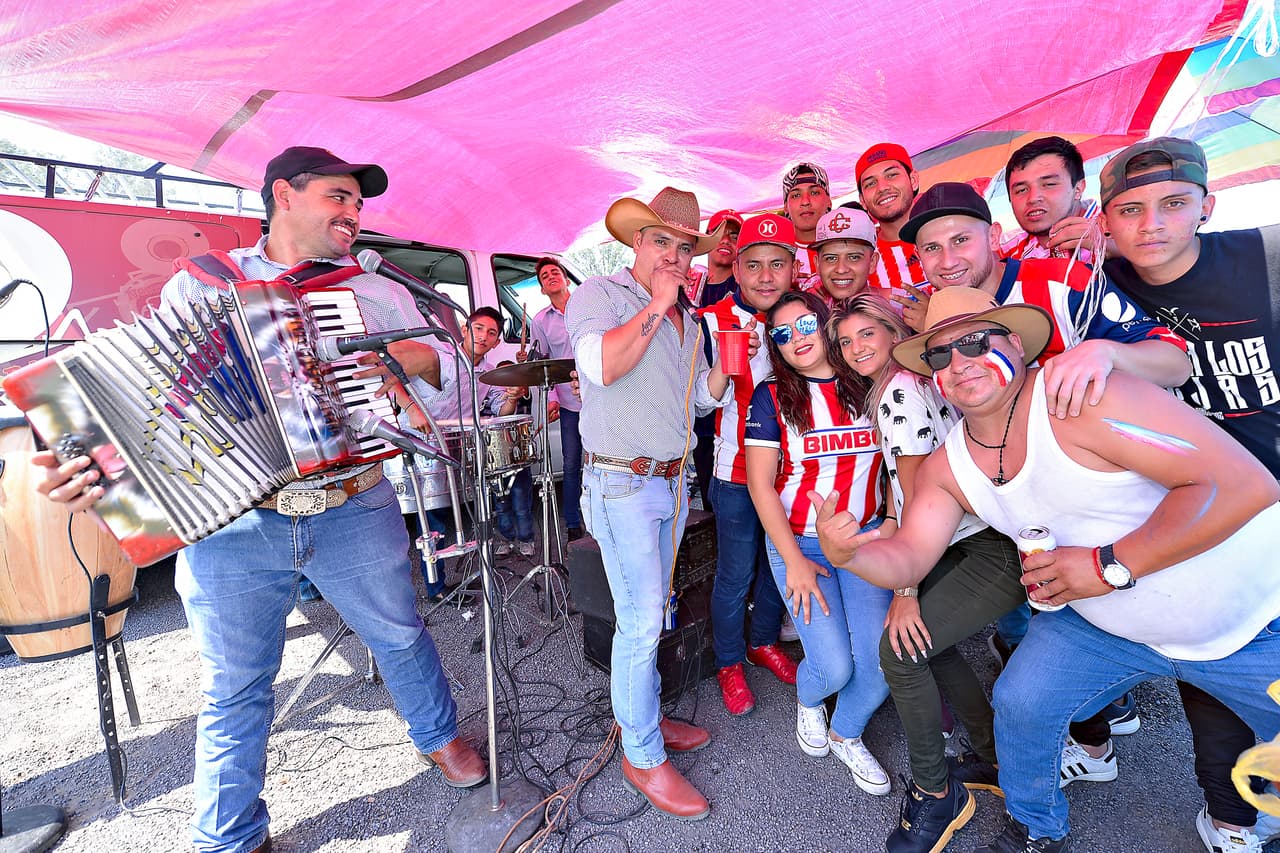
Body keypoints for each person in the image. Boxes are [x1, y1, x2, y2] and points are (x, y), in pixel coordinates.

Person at [34, 146, 486, 853]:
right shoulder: (200, 286)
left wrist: (416, 361)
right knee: (235, 681)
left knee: (399, 633)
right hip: (238, 521)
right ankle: (230, 831)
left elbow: (460, 385)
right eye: (340, 196)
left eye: (359, 204)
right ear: (283, 194)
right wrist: (92, 462)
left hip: (353, 501)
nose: (353, 214)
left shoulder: (376, 291)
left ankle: (438, 735)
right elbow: (156, 403)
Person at [813, 290, 1280, 853]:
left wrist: (1109, 566)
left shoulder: (1088, 400)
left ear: (1016, 343)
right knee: (1022, 703)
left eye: (975, 342)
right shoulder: (949, 463)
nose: (959, 363)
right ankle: (1036, 828)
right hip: (1106, 627)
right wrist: (851, 555)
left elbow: (1244, 485)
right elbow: (911, 553)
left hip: (1252, 621)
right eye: (941, 356)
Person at [1100, 135, 1280, 853]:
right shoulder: (1101, 284)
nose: (1152, 224)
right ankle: (1233, 819)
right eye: (1131, 209)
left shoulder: (1265, 258)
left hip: (1272, 495)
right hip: (1187, 506)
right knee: (1212, 660)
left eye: (1174, 204)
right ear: (1106, 220)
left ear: (1207, 204)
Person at [565, 186, 735, 821]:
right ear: (636, 241)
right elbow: (599, 366)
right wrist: (658, 305)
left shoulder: (689, 320)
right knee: (639, 623)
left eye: (683, 247)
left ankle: (648, 719)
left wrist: (722, 380)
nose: (672, 254)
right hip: (620, 485)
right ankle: (640, 753)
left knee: (654, 611)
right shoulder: (601, 295)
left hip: (670, 483)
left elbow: (691, 402)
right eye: (660, 240)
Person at [835, 291, 1022, 852]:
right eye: (844, 341)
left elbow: (918, 496)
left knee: (900, 648)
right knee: (930, 647)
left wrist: (906, 589)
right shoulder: (919, 384)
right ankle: (990, 756)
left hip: (982, 545)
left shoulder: (901, 392)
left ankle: (934, 793)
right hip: (973, 536)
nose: (855, 348)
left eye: (868, 333)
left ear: (896, 333)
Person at [743, 290, 893, 796]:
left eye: (804, 324)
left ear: (826, 323)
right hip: (802, 547)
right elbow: (761, 485)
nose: (795, 339)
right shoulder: (770, 396)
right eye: (780, 335)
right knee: (832, 667)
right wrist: (794, 564)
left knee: (878, 669)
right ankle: (809, 701)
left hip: (868, 541)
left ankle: (845, 733)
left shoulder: (869, 380)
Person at [696, 213, 798, 716]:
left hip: (794, 473)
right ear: (735, 266)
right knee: (735, 573)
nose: (764, 276)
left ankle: (763, 642)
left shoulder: (804, 317)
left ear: (794, 268)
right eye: (753, 264)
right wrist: (726, 365)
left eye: (776, 264)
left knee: (777, 567)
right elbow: (695, 403)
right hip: (735, 472)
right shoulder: (711, 322)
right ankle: (730, 661)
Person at [528, 257, 585, 541]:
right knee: (572, 462)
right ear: (541, 288)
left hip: (601, 399)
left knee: (604, 461)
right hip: (569, 405)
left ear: (565, 279)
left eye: (555, 272)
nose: (551, 276)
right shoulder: (539, 322)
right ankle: (573, 524)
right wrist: (551, 398)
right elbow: (544, 362)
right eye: (545, 276)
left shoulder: (588, 304)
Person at [692, 210, 744, 507]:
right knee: (705, 472)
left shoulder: (744, 288)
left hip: (734, 397)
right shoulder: (689, 284)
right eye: (719, 233)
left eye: (734, 235)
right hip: (697, 397)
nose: (726, 240)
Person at [854, 142, 931, 327]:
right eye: (871, 183)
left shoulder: (951, 237)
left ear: (913, 180)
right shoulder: (860, 261)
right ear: (862, 201)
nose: (882, 187)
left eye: (891, 175)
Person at [999, 135, 1099, 263]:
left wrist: (1110, 247)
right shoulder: (1008, 249)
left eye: (1049, 184)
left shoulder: (1113, 230)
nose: (1033, 198)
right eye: (1021, 190)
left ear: (1078, 188)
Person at [802, 207, 881, 306]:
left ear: (872, 262)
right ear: (817, 264)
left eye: (853, 257)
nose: (841, 269)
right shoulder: (806, 313)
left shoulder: (898, 308)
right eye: (831, 258)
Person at [782, 162, 832, 290]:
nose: (805, 201)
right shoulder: (776, 254)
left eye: (814, 192)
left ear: (829, 201)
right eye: (796, 195)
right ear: (786, 207)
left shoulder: (851, 246)